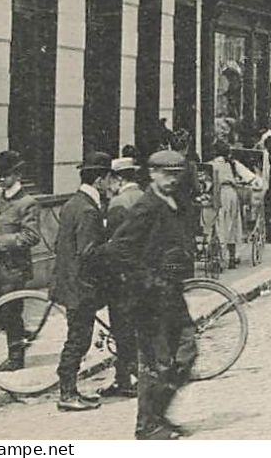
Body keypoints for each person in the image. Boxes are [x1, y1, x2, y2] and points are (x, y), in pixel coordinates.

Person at [101, 150, 197, 440]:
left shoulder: (175, 203)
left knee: (187, 352)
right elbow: (118, 249)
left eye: (176, 174)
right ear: (152, 174)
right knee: (157, 363)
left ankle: (158, 416)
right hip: (148, 299)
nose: (172, 179)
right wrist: (148, 278)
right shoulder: (147, 206)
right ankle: (147, 425)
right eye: (166, 174)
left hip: (171, 293)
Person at [50, 152, 111, 411]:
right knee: (78, 339)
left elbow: (60, 244)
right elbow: (89, 253)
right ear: (99, 180)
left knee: (78, 336)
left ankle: (71, 391)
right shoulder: (88, 210)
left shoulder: (72, 203)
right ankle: (67, 394)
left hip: (69, 281)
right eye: (109, 178)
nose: (110, 184)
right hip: (81, 286)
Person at [0, 150, 41, 373]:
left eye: (6, 174)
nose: (1, 178)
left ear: (17, 174)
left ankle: (16, 358)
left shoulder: (27, 203)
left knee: (11, 311)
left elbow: (31, 237)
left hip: (15, 269)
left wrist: (1, 240)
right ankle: (21, 335)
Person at [100, 157, 145, 400]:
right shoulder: (144, 196)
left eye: (111, 180)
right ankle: (126, 378)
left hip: (124, 275)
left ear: (118, 178)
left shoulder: (119, 202)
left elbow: (114, 244)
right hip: (143, 272)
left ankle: (128, 380)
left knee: (122, 328)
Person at [208, 142, 256, 268]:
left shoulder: (211, 165)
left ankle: (218, 257)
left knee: (219, 224)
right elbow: (250, 178)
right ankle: (232, 257)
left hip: (216, 194)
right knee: (233, 224)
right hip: (231, 193)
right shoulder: (233, 164)